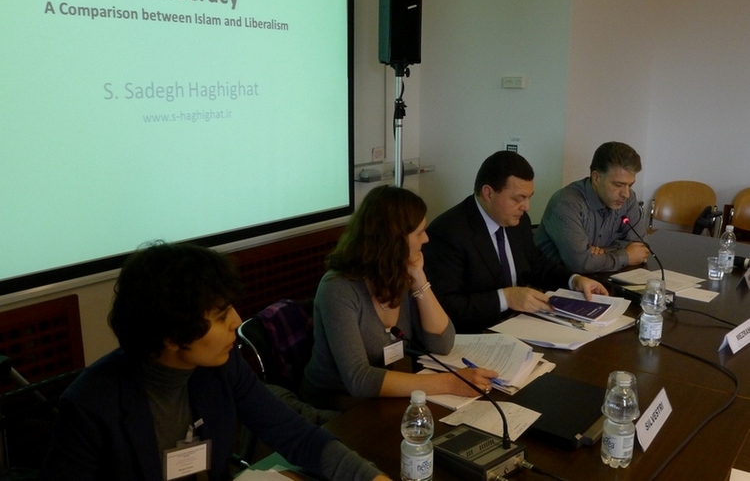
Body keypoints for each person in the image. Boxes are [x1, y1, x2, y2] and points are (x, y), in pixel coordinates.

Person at [40, 241, 388, 481]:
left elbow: (294, 434)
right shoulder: (91, 405)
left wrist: (370, 477)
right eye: (221, 316)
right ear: (171, 337)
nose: (237, 320)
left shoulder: (221, 367)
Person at [301, 186, 498, 410]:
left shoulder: (398, 275)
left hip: (379, 399)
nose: (426, 239)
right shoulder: (338, 288)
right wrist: (450, 383)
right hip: (333, 405)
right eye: (419, 233)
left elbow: (442, 343)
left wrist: (419, 279)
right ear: (393, 239)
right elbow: (359, 379)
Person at [422, 151, 608, 334]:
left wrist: (573, 280)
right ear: (488, 193)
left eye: (529, 197)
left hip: (520, 324)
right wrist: (505, 298)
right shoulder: (447, 233)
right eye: (518, 198)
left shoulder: (518, 221)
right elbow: (446, 306)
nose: (527, 207)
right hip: (477, 334)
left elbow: (535, 264)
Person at [534, 141, 650, 273]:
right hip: (556, 280)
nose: (626, 194)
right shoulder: (566, 203)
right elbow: (581, 263)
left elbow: (641, 248)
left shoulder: (628, 199)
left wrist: (601, 252)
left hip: (600, 277)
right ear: (596, 178)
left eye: (630, 185)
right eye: (618, 185)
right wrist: (626, 255)